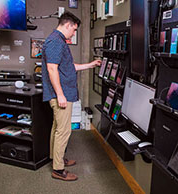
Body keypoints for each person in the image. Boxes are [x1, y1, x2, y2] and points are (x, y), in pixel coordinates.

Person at [42, 12, 101, 181]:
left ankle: (56, 159)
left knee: (57, 128)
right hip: (61, 95)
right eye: (74, 30)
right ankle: (58, 170)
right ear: (67, 25)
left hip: (63, 94)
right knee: (63, 131)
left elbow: (68, 67)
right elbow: (52, 69)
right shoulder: (55, 41)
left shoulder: (58, 41)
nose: (74, 34)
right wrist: (60, 95)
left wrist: (91, 64)